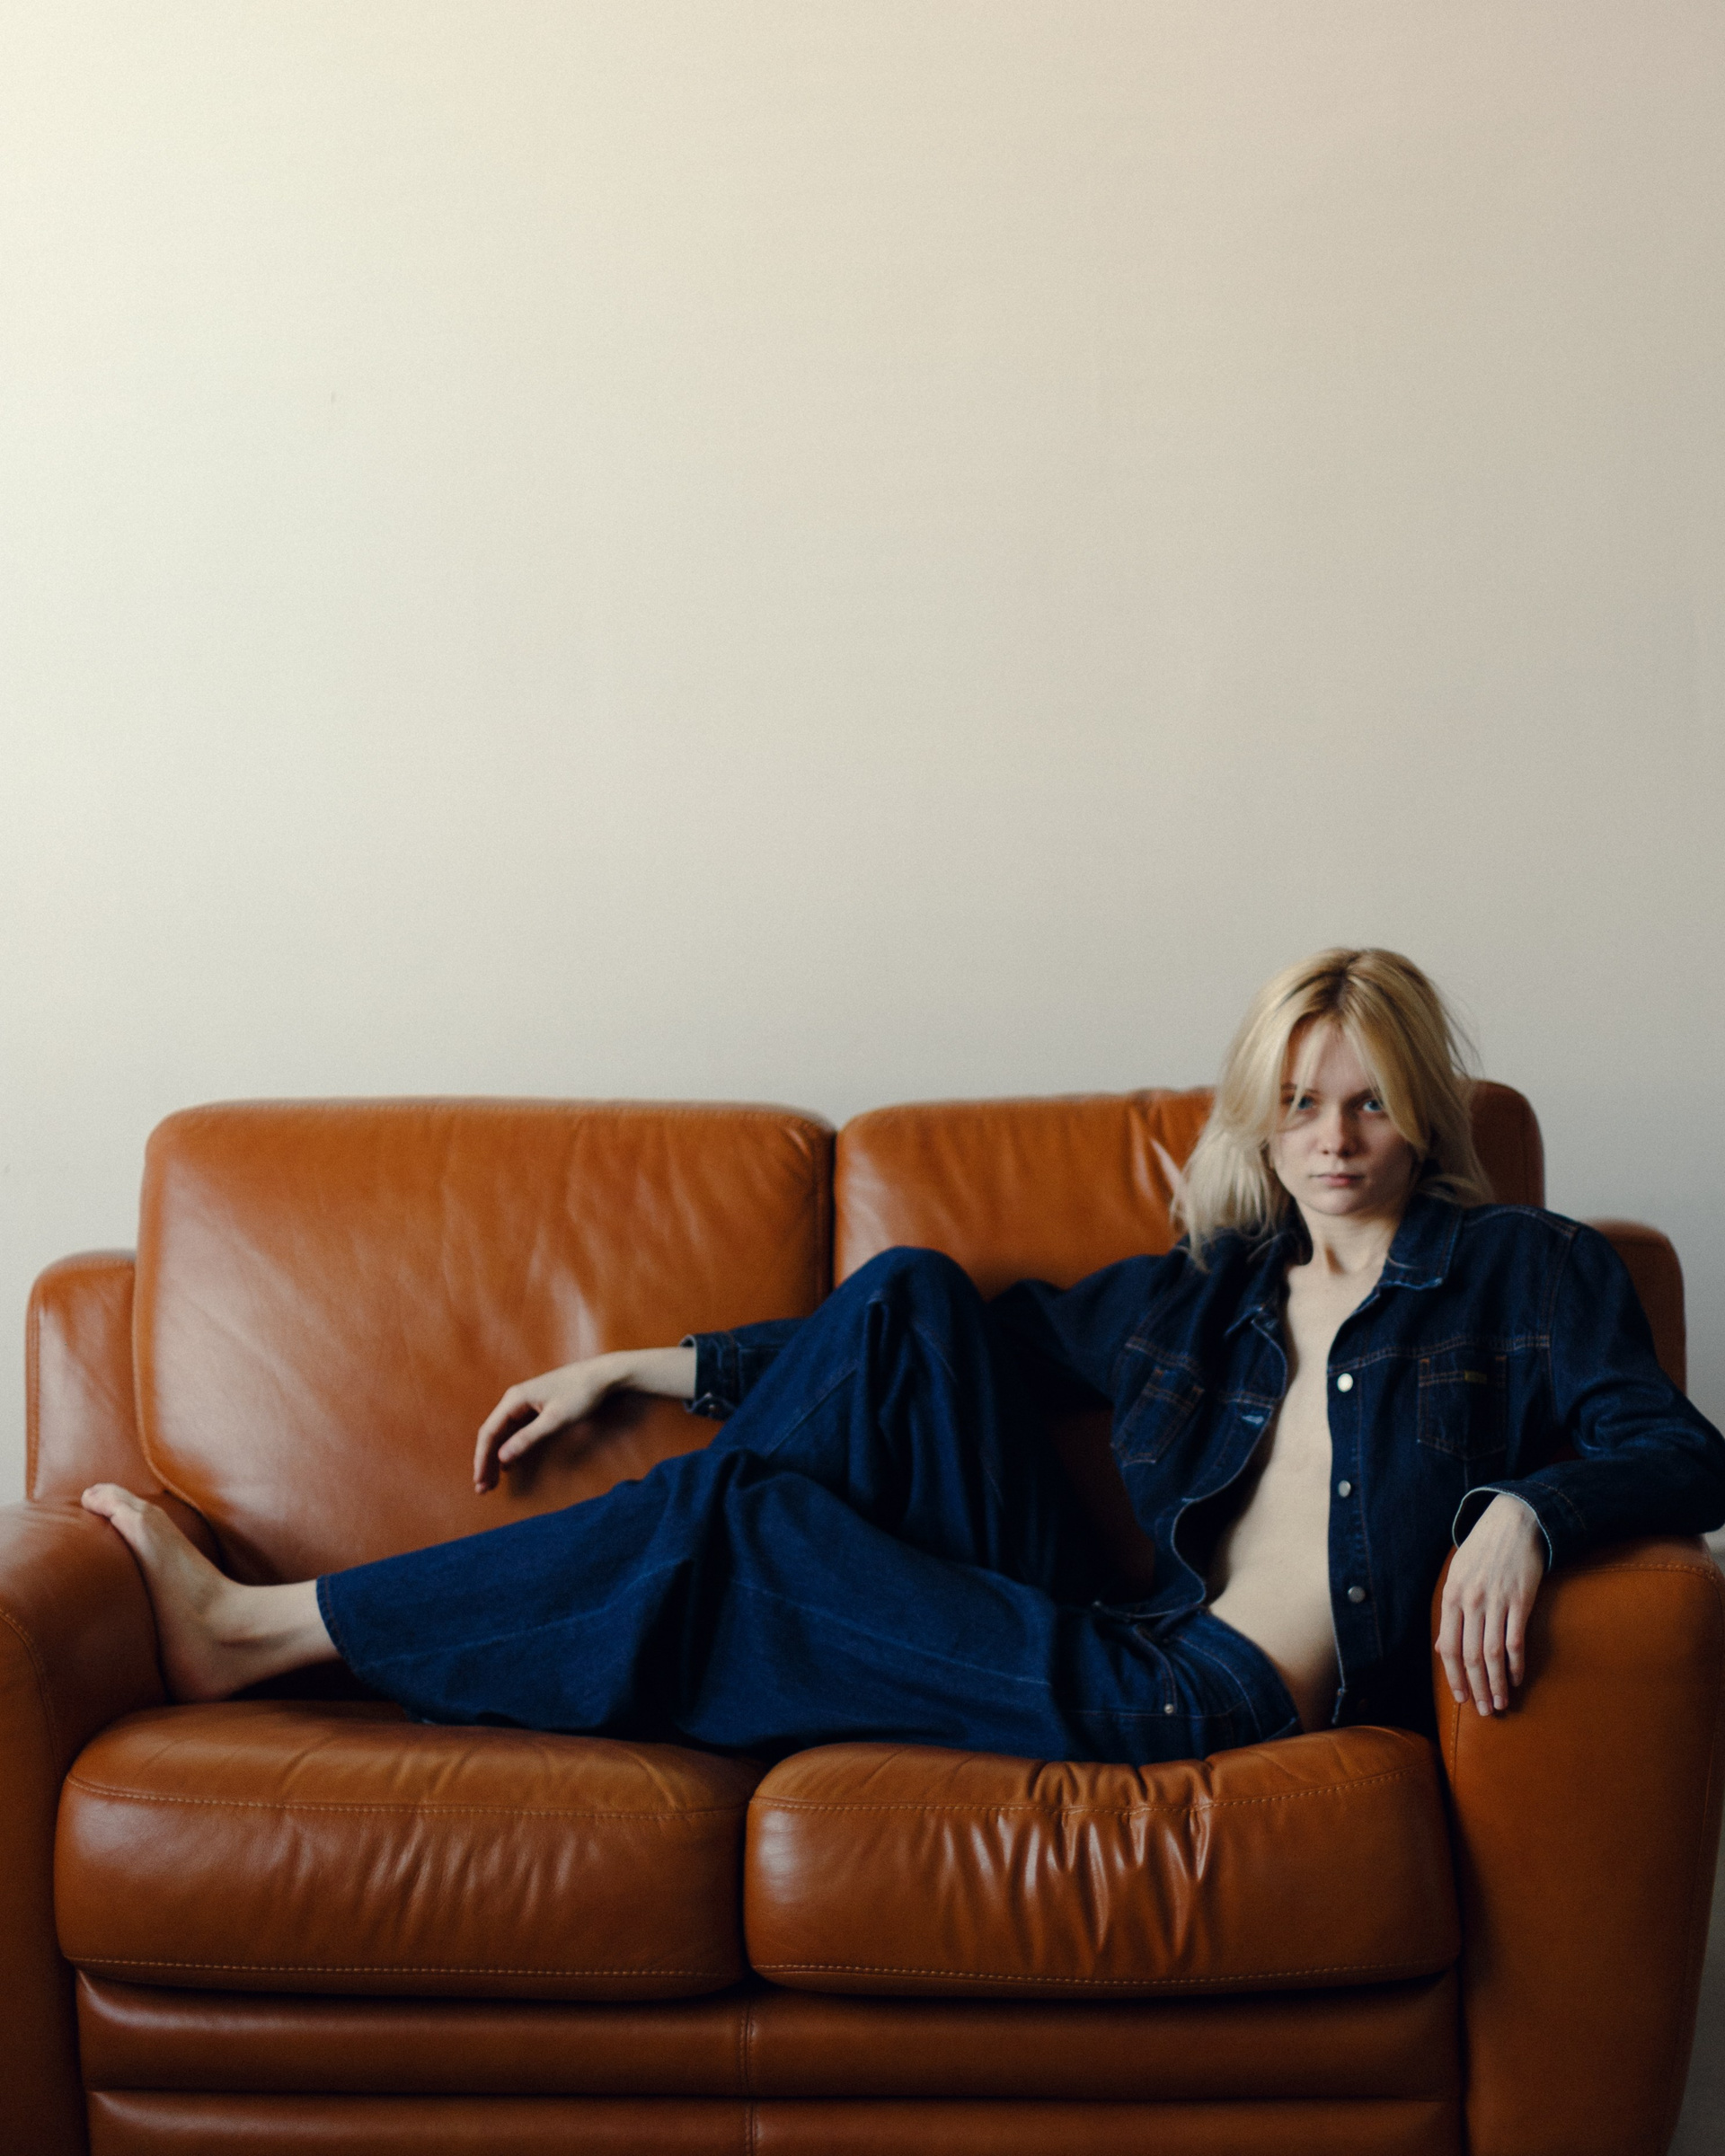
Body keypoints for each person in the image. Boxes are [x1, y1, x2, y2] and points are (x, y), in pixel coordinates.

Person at [82, 948, 1725, 1763]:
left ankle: (274, 1630)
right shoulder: (1217, 1295)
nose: (1336, 1138)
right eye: (1301, 1103)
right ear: (1263, 1119)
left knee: (740, 1526)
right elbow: (970, 1346)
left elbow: (1679, 1448)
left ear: (1421, 1110)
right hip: (1106, 1622)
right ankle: (661, 1605)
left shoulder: (1528, 1272)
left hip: (1194, 1699)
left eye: (1368, 1102)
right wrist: (646, 1365)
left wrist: (1526, 1509)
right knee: (911, 1297)